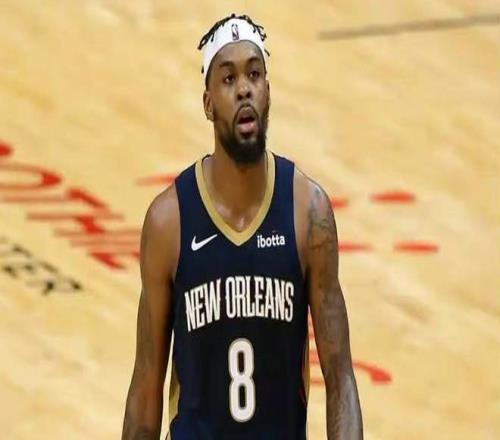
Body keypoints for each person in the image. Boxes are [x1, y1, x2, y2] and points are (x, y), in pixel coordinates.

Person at [122, 13, 363, 440]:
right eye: (228, 78)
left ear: (268, 91)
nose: (244, 89)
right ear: (208, 103)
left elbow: (340, 375)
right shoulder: (168, 222)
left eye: (254, 74)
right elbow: (146, 387)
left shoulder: (308, 212)